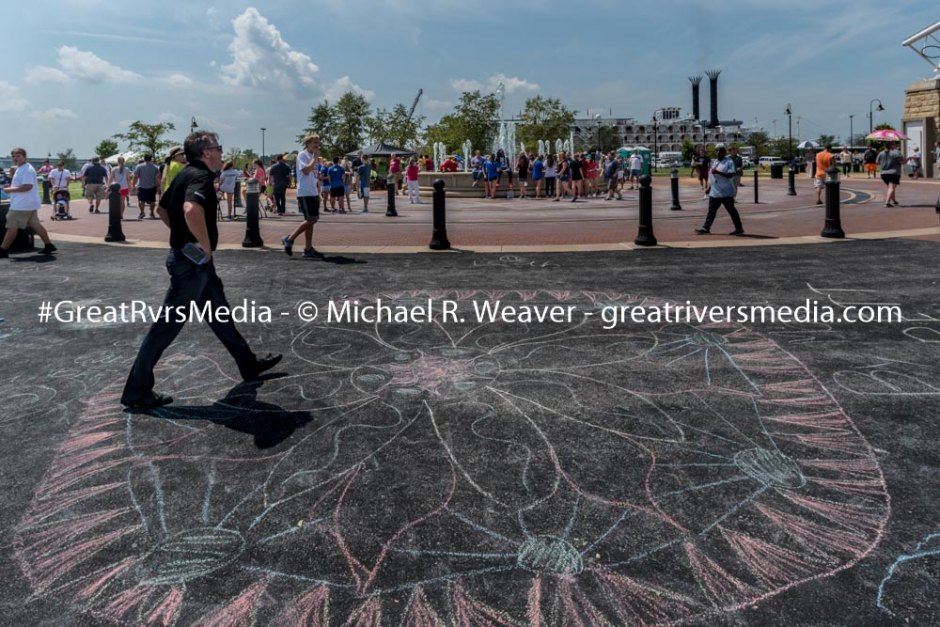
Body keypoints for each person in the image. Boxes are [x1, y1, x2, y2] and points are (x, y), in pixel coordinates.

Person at [120, 131, 281, 409]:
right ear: (206, 152)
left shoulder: (184, 173)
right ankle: (137, 390)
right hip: (191, 265)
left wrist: (184, 239)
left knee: (219, 314)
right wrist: (202, 247)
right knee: (166, 326)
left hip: (189, 260)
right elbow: (190, 209)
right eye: (218, 148)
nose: (221, 152)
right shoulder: (201, 177)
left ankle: (248, 363)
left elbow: (162, 210)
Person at [0, 147, 57, 258]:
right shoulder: (22, 168)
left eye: (18, 156)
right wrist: (11, 186)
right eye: (14, 156)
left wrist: (9, 190)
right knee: (35, 224)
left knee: (12, 226)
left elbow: (28, 186)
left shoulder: (26, 169)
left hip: (22, 204)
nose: (15, 158)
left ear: (25, 157)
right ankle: (49, 245)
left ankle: (3, 250)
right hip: (28, 203)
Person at [283, 134, 324, 258]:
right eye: (314, 142)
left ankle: (308, 248)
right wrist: (314, 159)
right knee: (312, 219)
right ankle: (289, 239)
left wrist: (318, 191)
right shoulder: (303, 155)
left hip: (313, 192)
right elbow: (306, 171)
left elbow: (315, 175)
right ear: (308, 144)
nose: (317, 145)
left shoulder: (313, 157)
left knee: (310, 221)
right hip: (305, 191)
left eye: (318, 142)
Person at [695, 145, 744, 236]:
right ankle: (706, 227)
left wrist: (718, 172)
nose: (718, 152)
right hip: (715, 192)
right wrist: (709, 188)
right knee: (711, 211)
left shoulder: (729, 161)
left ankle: (739, 228)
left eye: (720, 151)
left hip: (726, 192)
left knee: (732, 211)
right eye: (717, 151)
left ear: (724, 152)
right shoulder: (715, 162)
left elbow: (731, 175)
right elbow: (711, 175)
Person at [133, 155, 161, 219]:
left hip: (141, 186)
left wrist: (133, 185)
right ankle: (151, 213)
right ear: (151, 159)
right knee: (152, 201)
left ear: (144, 159)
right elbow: (158, 178)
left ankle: (142, 212)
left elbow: (136, 177)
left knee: (141, 200)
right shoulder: (155, 167)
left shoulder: (139, 166)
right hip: (152, 186)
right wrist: (158, 186)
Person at [876, 141, 903, 207]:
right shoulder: (896, 152)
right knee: (891, 188)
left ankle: (894, 201)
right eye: (894, 144)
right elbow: (902, 162)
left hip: (883, 173)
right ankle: (887, 202)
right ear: (891, 145)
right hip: (894, 173)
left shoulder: (881, 153)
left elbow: (877, 162)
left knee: (890, 187)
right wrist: (907, 159)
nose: (895, 145)